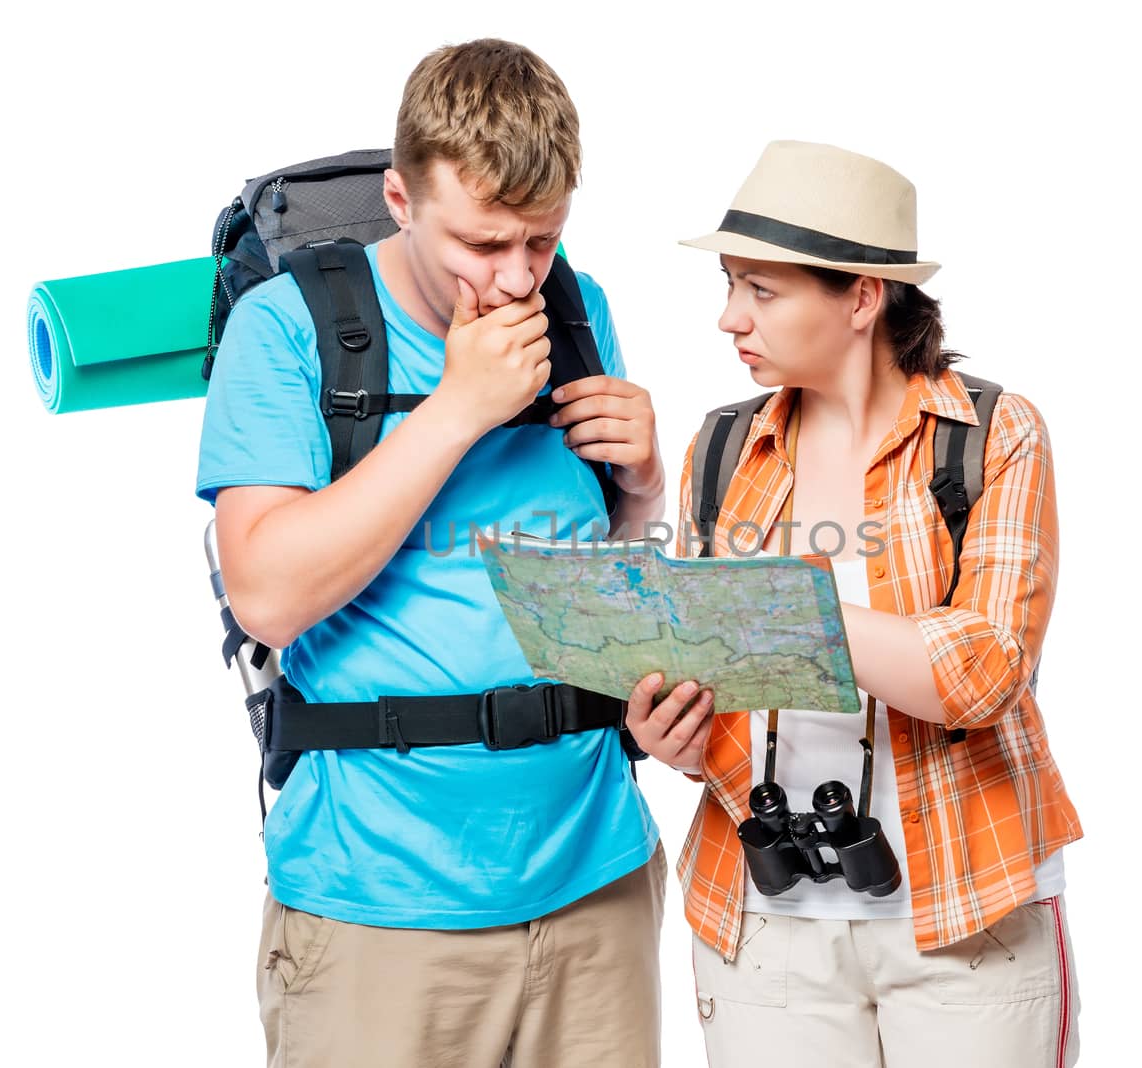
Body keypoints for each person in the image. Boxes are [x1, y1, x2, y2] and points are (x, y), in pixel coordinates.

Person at [197, 39, 667, 1068]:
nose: (512, 281)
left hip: (595, 887)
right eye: (480, 244)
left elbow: (609, 601)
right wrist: (458, 408)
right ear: (401, 200)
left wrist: (642, 490)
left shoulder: (580, 314)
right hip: (378, 908)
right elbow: (268, 594)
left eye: (540, 242)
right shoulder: (288, 329)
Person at [625, 140, 1084, 1066]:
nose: (728, 318)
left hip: (968, 914)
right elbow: (724, 678)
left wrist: (786, 604)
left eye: (762, 290)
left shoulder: (993, 434)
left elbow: (985, 671)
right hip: (765, 922)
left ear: (862, 297)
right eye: (728, 285)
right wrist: (672, 736)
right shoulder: (723, 448)